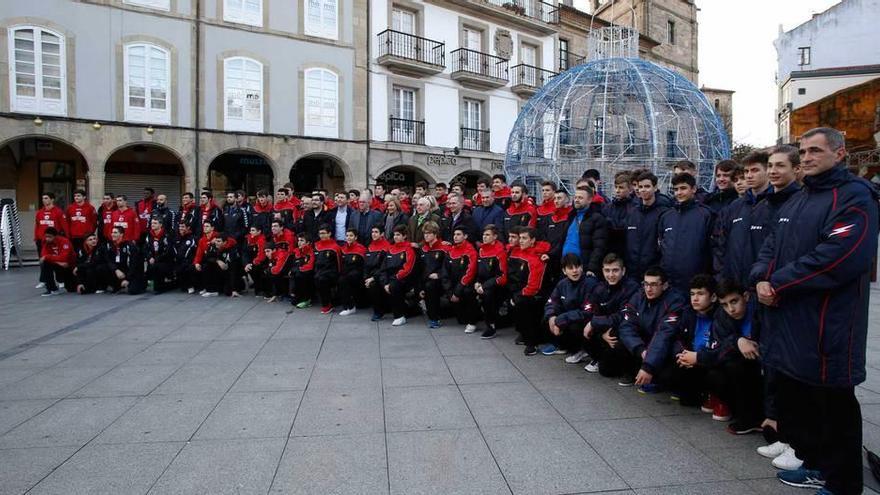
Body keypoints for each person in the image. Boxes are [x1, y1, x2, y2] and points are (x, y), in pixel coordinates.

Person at [750, 127, 879, 495]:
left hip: (829, 326)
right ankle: (816, 464)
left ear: (839, 154)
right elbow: (771, 245)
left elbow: (839, 257)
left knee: (834, 407)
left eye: (815, 151)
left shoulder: (856, 197)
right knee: (802, 402)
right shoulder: (799, 199)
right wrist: (760, 277)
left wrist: (778, 284)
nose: (806, 157)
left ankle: (842, 483)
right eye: (803, 151)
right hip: (789, 322)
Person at [617, 266, 685, 391]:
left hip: (664, 348)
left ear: (664, 286)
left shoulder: (675, 301)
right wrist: (641, 350)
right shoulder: (638, 296)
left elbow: (664, 335)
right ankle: (633, 373)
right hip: (645, 346)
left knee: (668, 376)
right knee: (619, 343)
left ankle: (655, 377)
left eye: (654, 284)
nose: (648, 289)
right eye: (646, 284)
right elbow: (626, 326)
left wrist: (648, 366)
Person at [670, 274, 729, 415]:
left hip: (710, 362)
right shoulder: (688, 313)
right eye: (692, 294)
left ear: (713, 297)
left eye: (700, 294)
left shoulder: (721, 317)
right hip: (692, 360)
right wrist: (683, 353)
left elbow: (723, 350)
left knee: (717, 376)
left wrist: (698, 358)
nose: (695, 298)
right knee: (674, 380)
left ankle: (718, 398)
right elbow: (677, 337)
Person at [712, 151, 771, 286]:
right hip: (735, 284)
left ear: (768, 171)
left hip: (765, 285)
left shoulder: (778, 203)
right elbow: (721, 246)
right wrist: (722, 278)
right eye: (746, 171)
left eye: (755, 170)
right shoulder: (734, 207)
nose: (749, 175)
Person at [579, 253, 640, 372]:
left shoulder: (633, 288)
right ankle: (597, 357)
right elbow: (590, 309)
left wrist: (594, 323)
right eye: (607, 270)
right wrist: (600, 332)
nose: (611, 275)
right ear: (602, 271)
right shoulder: (600, 287)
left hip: (622, 329)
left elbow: (623, 316)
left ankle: (628, 369)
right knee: (581, 323)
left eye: (615, 270)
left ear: (623, 270)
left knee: (606, 370)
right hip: (604, 328)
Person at [658, 174, 714, 291]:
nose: (679, 193)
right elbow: (662, 244)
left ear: (693, 189)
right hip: (669, 280)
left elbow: (712, 248)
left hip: (695, 281)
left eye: (683, 188)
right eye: (676, 189)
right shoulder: (667, 216)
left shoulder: (705, 215)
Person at [544, 254, 599, 357]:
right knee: (547, 317)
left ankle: (581, 349)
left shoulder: (590, 284)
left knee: (574, 326)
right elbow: (551, 302)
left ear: (582, 267)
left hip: (584, 321)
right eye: (570, 268)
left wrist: (561, 319)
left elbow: (587, 312)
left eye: (577, 267)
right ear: (564, 271)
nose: (575, 270)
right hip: (567, 318)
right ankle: (563, 346)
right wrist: (551, 317)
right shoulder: (562, 284)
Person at [507, 227, 547, 356]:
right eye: (521, 238)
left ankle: (532, 343)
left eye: (525, 238)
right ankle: (523, 334)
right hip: (518, 290)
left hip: (532, 295)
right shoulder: (516, 252)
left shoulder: (537, 258)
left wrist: (517, 296)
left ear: (533, 240)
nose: (521, 241)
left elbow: (534, 286)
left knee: (523, 306)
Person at [623, 171, 668, 282]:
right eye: (640, 187)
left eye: (647, 186)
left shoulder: (664, 213)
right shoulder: (632, 212)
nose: (643, 190)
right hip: (632, 272)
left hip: (653, 272)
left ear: (655, 187)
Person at [374, 224, 416, 326]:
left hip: (403, 279)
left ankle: (399, 316)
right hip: (389, 279)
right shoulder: (390, 249)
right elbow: (383, 268)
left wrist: (392, 280)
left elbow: (407, 269)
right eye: (394, 235)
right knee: (374, 285)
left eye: (398, 235)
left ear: (404, 236)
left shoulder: (409, 249)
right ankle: (379, 311)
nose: (395, 237)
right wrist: (385, 282)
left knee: (394, 286)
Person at [562, 185, 608, 277]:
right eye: (575, 197)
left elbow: (599, 247)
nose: (576, 200)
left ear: (590, 200)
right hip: (566, 266)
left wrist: (592, 268)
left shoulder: (597, 219)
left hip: (583, 268)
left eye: (580, 198)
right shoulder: (571, 217)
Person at [445, 225, 479, 333]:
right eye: (454, 234)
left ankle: (473, 322)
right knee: (461, 320)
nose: (455, 237)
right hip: (453, 286)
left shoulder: (471, 251)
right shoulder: (450, 251)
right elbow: (445, 272)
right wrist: (450, 292)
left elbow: (470, 273)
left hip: (465, 285)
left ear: (465, 236)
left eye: (458, 234)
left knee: (468, 292)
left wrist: (457, 291)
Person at [418, 222, 449, 328]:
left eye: (429, 233)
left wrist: (439, 275)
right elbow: (420, 269)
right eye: (424, 233)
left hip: (440, 280)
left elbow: (448, 267)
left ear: (435, 234)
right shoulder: (423, 249)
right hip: (425, 280)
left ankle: (434, 319)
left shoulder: (444, 248)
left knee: (430, 286)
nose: (426, 236)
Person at [99, 226, 144, 294]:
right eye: (112, 232)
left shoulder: (130, 246)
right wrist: (116, 270)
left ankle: (134, 284)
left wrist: (127, 279)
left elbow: (134, 264)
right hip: (119, 271)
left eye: (115, 232)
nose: (112, 234)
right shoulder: (110, 245)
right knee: (102, 267)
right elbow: (108, 260)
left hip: (129, 272)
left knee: (133, 291)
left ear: (121, 234)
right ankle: (116, 286)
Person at [604, 171, 636, 256]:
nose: (617, 190)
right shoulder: (608, 206)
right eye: (616, 187)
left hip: (626, 250)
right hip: (609, 249)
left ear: (630, 189)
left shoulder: (634, 207)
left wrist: (609, 223)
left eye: (621, 188)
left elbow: (624, 227)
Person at [364, 225, 393, 320]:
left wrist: (373, 278)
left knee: (373, 285)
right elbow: (366, 264)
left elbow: (383, 267)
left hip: (382, 276)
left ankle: (378, 312)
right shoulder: (370, 246)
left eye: (376, 232)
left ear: (382, 234)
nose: (373, 234)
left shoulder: (386, 247)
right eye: (372, 232)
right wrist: (366, 277)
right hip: (371, 275)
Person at [313, 224, 343, 314]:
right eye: (320, 234)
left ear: (329, 234)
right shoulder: (317, 246)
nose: (322, 236)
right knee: (316, 278)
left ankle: (327, 305)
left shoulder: (335, 247)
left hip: (331, 273)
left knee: (322, 279)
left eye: (324, 233)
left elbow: (339, 264)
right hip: (319, 272)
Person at [38, 227, 75, 296]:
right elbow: (43, 256)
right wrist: (57, 262)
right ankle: (52, 289)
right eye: (46, 236)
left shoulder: (64, 241)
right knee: (46, 264)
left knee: (71, 289)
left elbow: (64, 257)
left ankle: (65, 281)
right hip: (59, 264)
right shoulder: (45, 242)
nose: (47, 238)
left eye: (50, 237)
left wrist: (48, 257)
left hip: (69, 266)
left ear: (55, 236)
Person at [338, 228, 367, 316]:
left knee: (344, 280)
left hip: (357, 275)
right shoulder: (343, 248)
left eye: (351, 236)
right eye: (347, 236)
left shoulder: (361, 249)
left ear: (356, 237)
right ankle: (347, 305)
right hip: (346, 274)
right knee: (341, 279)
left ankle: (350, 307)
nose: (348, 238)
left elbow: (364, 265)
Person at [144, 217, 175, 293]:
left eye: (155, 223)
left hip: (165, 261)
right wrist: (150, 257)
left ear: (160, 225)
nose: (152, 225)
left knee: (157, 267)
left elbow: (168, 251)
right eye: (152, 223)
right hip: (152, 260)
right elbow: (145, 248)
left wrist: (156, 259)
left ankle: (167, 284)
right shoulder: (149, 235)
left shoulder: (166, 235)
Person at [34, 192, 68, 257]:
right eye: (43, 198)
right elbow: (37, 226)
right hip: (41, 240)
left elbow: (64, 226)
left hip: (54, 240)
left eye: (46, 198)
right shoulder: (39, 212)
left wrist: (67, 238)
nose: (43, 200)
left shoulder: (58, 212)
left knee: (53, 259)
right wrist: (36, 238)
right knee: (42, 260)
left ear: (52, 200)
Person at [290, 232, 315, 308]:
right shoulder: (296, 251)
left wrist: (298, 269)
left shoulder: (311, 252)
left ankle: (307, 299)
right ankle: (297, 296)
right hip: (298, 273)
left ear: (308, 243)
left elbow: (310, 266)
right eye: (298, 240)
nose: (299, 242)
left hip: (308, 274)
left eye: (302, 241)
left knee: (300, 275)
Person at [243, 225, 268, 297]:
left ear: (259, 231)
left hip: (261, 261)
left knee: (256, 268)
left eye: (253, 230)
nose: (251, 232)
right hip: (250, 262)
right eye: (250, 230)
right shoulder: (247, 239)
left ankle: (260, 289)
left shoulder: (262, 240)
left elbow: (262, 255)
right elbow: (245, 253)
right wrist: (246, 263)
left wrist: (252, 264)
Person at [173, 222, 198, 294]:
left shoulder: (193, 239)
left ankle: (191, 285)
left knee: (187, 267)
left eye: (183, 227)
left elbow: (193, 253)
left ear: (188, 228)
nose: (180, 228)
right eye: (180, 227)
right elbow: (174, 251)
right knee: (182, 288)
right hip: (179, 262)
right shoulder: (176, 238)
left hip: (189, 262)